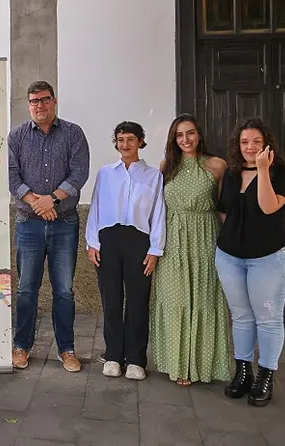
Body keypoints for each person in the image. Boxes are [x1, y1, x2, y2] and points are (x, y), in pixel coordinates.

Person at [8, 80, 90, 372]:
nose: (39, 106)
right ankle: (21, 346)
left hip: (64, 222)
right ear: (28, 104)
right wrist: (37, 203)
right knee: (27, 289)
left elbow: (79, 172)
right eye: (34, 101)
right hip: (28, 223)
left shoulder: (73, 133)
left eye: (44, 100)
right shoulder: (16, 136)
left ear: (54, 101)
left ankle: (66, 349)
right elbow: (12, 176)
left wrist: (52, 200)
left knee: (64, 290)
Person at [216, 117, 285, 408]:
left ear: (266, 144)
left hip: (268, 258)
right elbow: (224, 209)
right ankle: (244, 371)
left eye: (256, 142)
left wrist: (263, 169)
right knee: (241, 316)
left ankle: (265, 376)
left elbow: (267, 206)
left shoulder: (280, 173)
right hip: (230, 257)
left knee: (268, 318)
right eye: (244, 142)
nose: (250, 147)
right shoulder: (233, 173)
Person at [151, 114, 230, 386]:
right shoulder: (166, 167)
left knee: (205, 300)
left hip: (206, 239)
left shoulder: (217, 165)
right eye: (180, 135)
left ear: (199, 135)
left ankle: (203, 364)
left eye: (191, 133)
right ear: (174, 139)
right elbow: (158, 208)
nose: (186, 139)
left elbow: (223, 208)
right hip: (172, 241)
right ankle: (177, 363)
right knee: (175, 300)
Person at [86, 121, 166, 381]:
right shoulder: (106, 173)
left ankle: (135, 359)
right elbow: (96, 207)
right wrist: (92, 243)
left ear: (141, 141)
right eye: (120, 139)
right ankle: (112, 355)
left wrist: (155, 249)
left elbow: (158, 214)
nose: (125, 144)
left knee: (137, 301)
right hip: (108, 239)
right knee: (111, 300)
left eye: (131, 139)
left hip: (139, 241)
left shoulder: (153, 176)